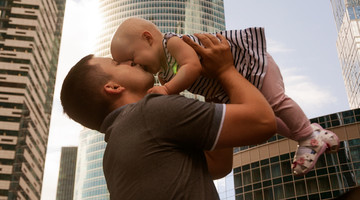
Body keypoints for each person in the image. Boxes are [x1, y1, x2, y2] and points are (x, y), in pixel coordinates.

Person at [110, 17, 340, 176]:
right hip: (233, 86)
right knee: (271, 118)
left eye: (132, 57)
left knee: (276, 101)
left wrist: (169, 89)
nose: (134, 64)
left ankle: (307, 136)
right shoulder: (164, 72)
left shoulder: (172, 43)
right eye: (129, 64)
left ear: (149, 38)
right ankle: (312, 133)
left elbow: (192, 67)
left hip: (250, 66)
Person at [61, 33, 276, 199]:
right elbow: (262, 121)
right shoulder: (150, 112)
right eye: (117, 64)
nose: (129, 61)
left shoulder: (111, 159)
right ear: (113, 87)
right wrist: (226, 70)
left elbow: (217, 165)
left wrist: (214, 90)